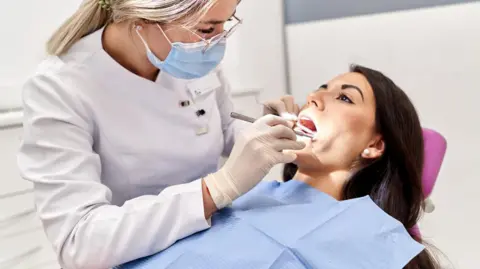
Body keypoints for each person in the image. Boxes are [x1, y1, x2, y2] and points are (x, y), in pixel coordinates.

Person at [16, 0, 305, 268]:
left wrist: (266, 129)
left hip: (214, 238)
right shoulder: (60, 88)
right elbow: (80, 241)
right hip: (138, 257)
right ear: (142, 18)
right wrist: (215, 190)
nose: (218, 41)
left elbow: (223, 126)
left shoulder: (189, 55)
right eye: (207, 28)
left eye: (225, 24)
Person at [119, 65, 442, 269]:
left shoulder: (370, 239)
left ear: (374, 145)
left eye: (345, 98)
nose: (314, 97)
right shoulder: (245, 193)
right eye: (321, 88)